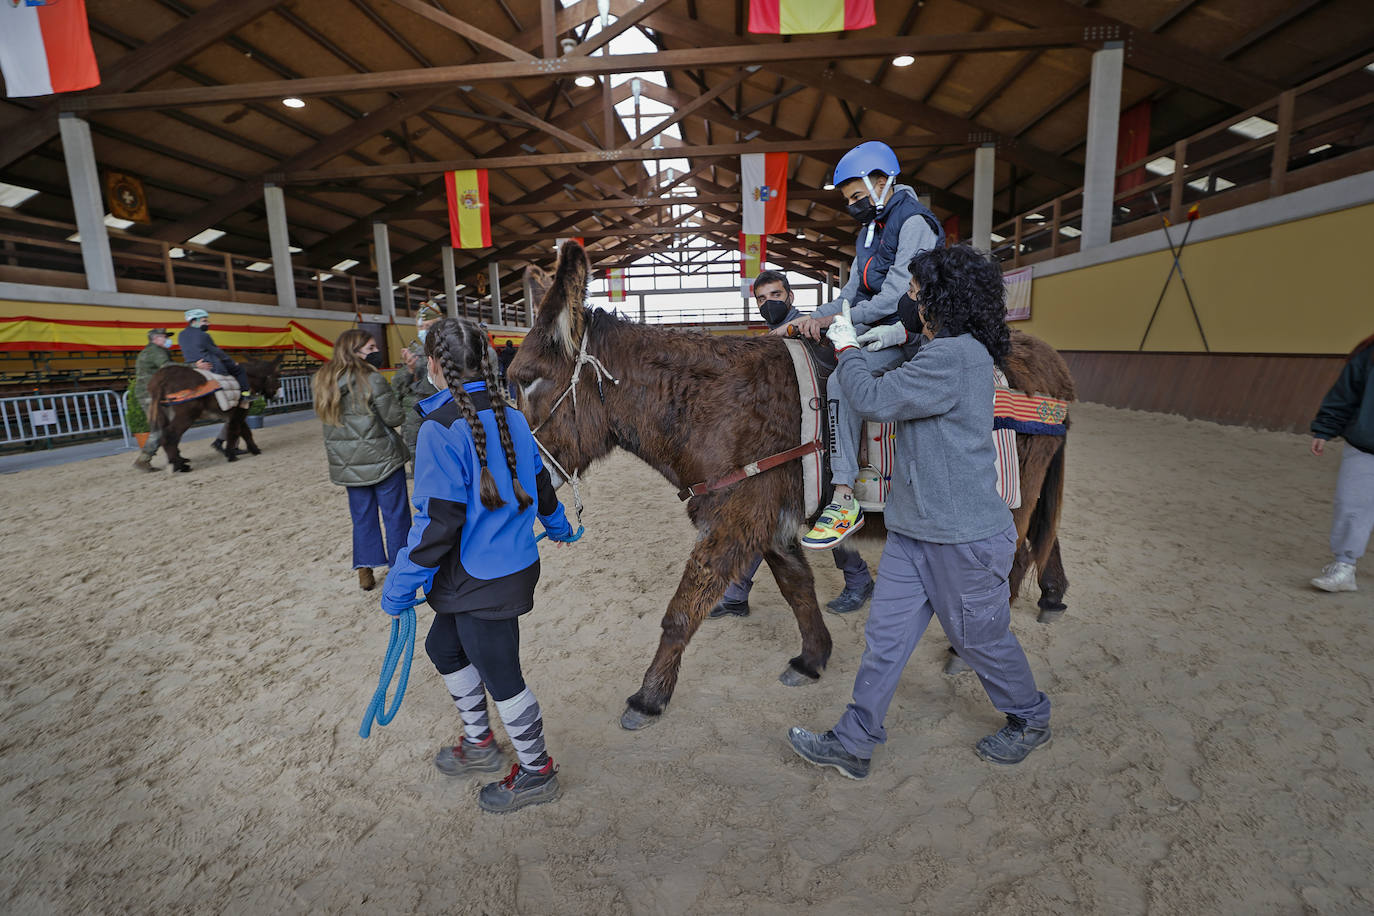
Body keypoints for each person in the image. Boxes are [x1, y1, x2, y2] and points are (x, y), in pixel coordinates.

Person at [788, 244, 1053, 778]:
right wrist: (899, 336)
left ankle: (1030, 717)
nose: (911, 299)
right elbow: (912, 366)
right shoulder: (953, 349)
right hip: (913, 530)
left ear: (942, 299)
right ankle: (854, 740)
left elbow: (873, 399)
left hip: (963, 536)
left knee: (980, 638)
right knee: (885, 639)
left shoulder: (954, 357)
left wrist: (846, 347)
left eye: (916, 293)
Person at [380, 316, 582, 814]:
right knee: (443, 648)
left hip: (478, 577)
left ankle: (537, 772)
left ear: (433, 364)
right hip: (494, 571)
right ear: (488, 361)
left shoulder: (438, 429)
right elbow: (540, 485)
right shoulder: (509, 415)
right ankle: (479, 743)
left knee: (502, 675)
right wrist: (555, 525)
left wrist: (400, 584)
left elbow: (437, 524)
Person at [788, 141, 945, 551]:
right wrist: (804, 318)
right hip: (877, 327)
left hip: (911, 332)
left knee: (843, 381)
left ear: (882, 181)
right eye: (848, 200)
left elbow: (895, 298)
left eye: (858, 196)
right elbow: (851, 294)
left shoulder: (915, 224)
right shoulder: (869, 231)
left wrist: (834, 322)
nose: (853, 205)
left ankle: (843, 495)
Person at [709, 270, 875, 618]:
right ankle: (738, 593)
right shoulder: (771, 338)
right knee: (768, 515)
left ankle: (859, 581)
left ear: (791, 295)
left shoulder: (812, 327)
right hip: (783, 441)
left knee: (825, 508)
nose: (770, 302)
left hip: (819, 437)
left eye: (776, 294)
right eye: (762, 298)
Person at [312, 329, 412, 592]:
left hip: (347, 464)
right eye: (370, 348)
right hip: (383, 460)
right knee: (396, 515)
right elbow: (393, 418)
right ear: (353, 351)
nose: (375, 352)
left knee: (362, 517)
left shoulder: (325, 380)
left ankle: (365, 571)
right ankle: (399, 566)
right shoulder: (371, 378)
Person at [1309, 332, 1374, 592]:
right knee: (1350, 505)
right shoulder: (1368, 355)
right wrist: (1325, 428)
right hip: (1364, 445)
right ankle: (1345, 567)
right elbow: (1345, 393)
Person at [391, 303, 442, 464]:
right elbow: (399, 388)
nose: (423, 330)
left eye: (428, 326)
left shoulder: (450, 349)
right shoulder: (413, 352)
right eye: (421, 326)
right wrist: (409, 370)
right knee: (416, 452)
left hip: (441, 409)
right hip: (415, 412)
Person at [131, 327, 174, 472]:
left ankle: (174, 456)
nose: (167, 340)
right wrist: (193, 366)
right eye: (164, 337)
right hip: (150, 394)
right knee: (159, 427)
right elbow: (167, 367)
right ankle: (143, 460)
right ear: (155, 339)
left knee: (166, 424)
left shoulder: (150, 351)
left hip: (150, 392)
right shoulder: (156, 351)